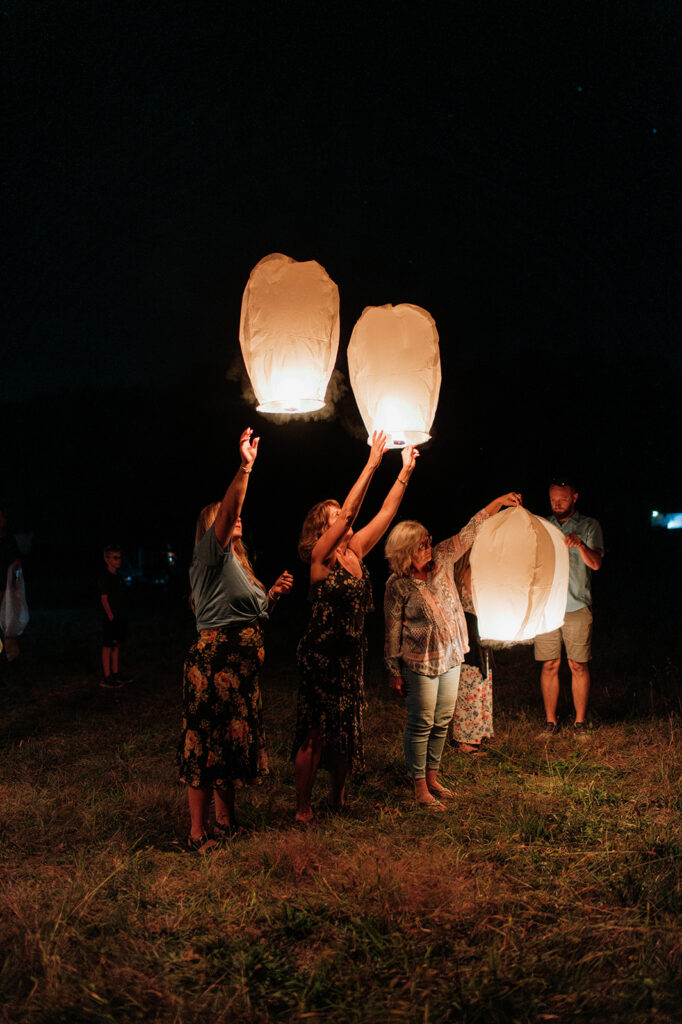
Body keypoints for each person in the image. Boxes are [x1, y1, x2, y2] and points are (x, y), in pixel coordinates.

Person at [177, 428, 293, 853]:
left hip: (240, 672)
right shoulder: (210, 556)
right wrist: (245, 466)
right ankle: (196, 833)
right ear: (213, 528)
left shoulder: (241, 566)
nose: (237, 516)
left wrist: (273, 597)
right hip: (213, 669)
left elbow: (252, 614)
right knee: (205, 748)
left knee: (228, 746)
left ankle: (225, 824)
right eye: (228, 515)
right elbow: (228, 512)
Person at [293, 433, 418, 825]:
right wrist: (371, 463)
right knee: (315, 732)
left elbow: (385, 513)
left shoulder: (355, 551)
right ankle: (302, 807)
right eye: (335, 515)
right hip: (320, 655)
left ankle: (338, 799)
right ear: (322, 528)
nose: (344, 517)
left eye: (341, 514)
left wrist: (405, 471)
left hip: (350, 656)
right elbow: (351, 513)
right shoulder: (320, 558)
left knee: (345, 728)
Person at [384, 492, 522, 811]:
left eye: (428, 540)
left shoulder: (443, 557)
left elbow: (470, 530)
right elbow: (392, 630)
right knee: (421, 721)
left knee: (443, 718)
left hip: (450, 656)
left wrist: (498, 502)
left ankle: (432, 777)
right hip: (420, 663)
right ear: (406, 551)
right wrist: (393, 670)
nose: (429, 546)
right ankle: (419, 787)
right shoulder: (397, 585)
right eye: (422, 544)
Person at [534, 478, 604, 737]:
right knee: (550, 663)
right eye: (553, 499)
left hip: (576, 606)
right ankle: (550, 722)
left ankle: (580, 722)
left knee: (578, 664)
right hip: (547, 608)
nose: (557, 503)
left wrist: (581, 545)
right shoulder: (543, 526)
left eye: (562, 499)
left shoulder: (588, 525)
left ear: (575, 497)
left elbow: (596, 563)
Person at [448, 548, 493, 754]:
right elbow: (478, 602)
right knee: (470, 681)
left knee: (478, 679)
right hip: (471, 626)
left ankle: (477, 733)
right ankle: (466, 738)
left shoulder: (471, 569)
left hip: (475, 628)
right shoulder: (470, 570)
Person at [98, 545, 130, 688]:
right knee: (108, 645)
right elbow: (104, 598)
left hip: (120, 616)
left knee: (116, 644)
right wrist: (111, 616)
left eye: (119, 557)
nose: (118, 561)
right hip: (111, 618)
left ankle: (115, 673)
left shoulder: (118, 577)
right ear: (107, 560)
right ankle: (107, 676)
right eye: (115, 558)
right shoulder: (105, 577)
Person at [0, 505, 23, 662]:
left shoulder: (8, 538)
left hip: (5, 587)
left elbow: (17, 561)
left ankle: (6, 653)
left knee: (6, 621)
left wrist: (15, 582)